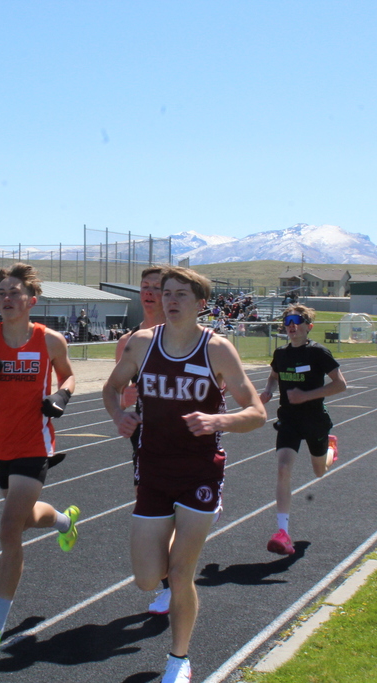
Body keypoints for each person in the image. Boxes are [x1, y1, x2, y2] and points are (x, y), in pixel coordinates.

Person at [103, 266, 266, 683]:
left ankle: (179, 660)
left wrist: (219, 422)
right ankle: (171, 546)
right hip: (153, 470)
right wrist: (120, 413)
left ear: (200, 305)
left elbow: (257, 413)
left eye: (180, 295)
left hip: (199, 473)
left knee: (180, 575)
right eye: (165, 292)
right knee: (144, 579)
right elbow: (111, 387)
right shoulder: (141, 344)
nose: (170, 300)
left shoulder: (217, 349)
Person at [0, 263, 79, 657]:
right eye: (1, 293)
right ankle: (62, 520)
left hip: (35, 443)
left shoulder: (51, 341)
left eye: (14, 293)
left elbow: (69, 377)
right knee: (20, 516)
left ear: (31, 301)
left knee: (9, 530)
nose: (6, 299)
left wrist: (61, 397)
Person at [258, 304, 347, 556]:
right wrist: (268, 391)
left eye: (297, 320)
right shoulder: (281, 353)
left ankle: (330, 448)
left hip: (315, 420)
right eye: (287, 321)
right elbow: (274, 376)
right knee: (283, 468)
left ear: (309, 326)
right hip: (289, 420)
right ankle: (283, 532)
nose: (291, 325)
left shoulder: (318, 353)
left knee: (319, 471)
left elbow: (340, 385)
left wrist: (306, 395)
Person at [114, 266, 170, 615]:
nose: (148, 293)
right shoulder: (129, 342)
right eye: (144, 287)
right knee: (152, 510)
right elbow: (118, 395)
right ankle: (170, 583)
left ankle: (175, 577)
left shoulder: (187, 334)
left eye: (156, 288)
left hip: (184, 434)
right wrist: (125, 406)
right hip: (145, 434)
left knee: (179, 511)